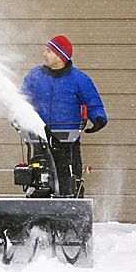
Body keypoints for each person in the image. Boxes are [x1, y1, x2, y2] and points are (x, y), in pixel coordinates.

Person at [22, 35, 107, 196]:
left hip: (68, 142)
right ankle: (40, 211)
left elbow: (93, 102)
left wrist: (98, 118)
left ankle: (73, 208)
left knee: (70, 182)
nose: (44, 54)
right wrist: (17, 117)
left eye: (48, 51)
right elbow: (22, 100)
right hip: (41, 140)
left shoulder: (79, 80)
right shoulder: (35, 76)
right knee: (40, 181)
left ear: (60, 56)